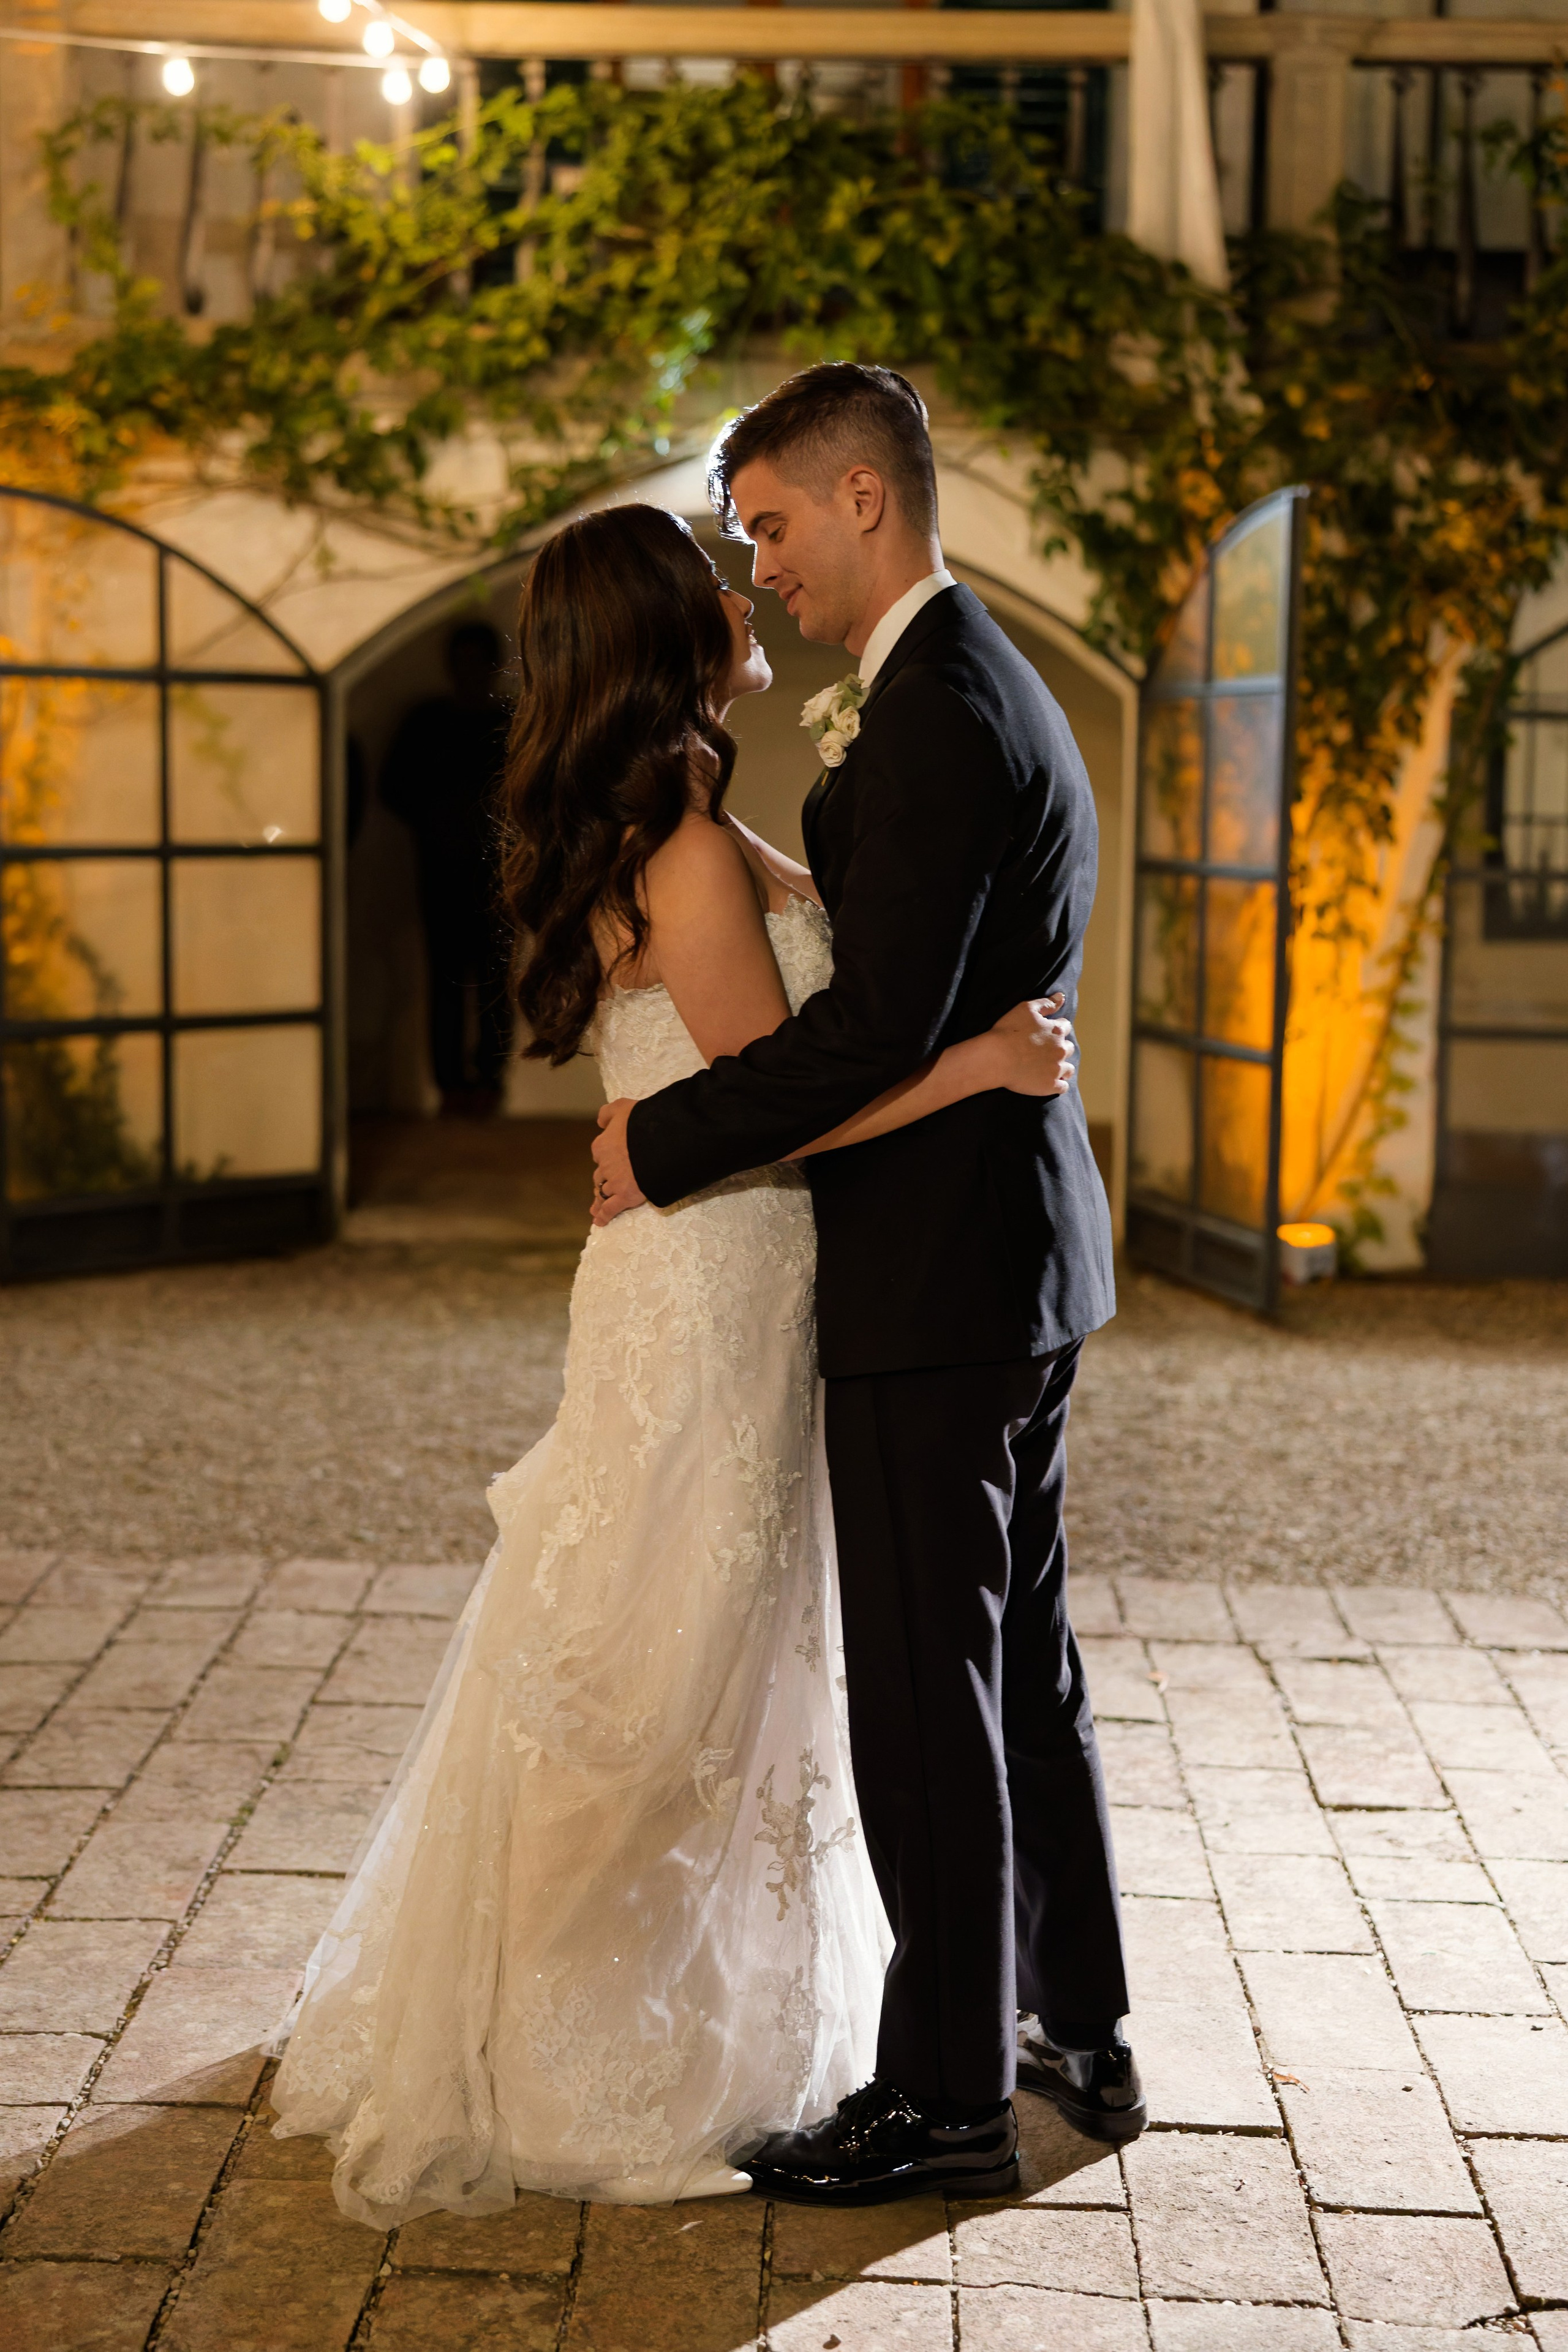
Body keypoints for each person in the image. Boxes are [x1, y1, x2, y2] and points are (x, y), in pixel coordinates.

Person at [269, 499, 1076, 2223]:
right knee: (664, 1654)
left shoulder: (686, 817)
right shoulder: (691, 846)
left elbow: (761, 1048)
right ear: (666, 636)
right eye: (712, 575)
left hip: (708, 1266)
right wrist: (990, 1064)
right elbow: (793, 1090)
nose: (743, 584)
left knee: (672, 1629)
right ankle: (571, 2031)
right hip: (720, 1273)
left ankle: (572, 1988)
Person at [591, 363, 1144, 2207]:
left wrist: (657, 1144)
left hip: (935, 1277)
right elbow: (897, 935)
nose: (756, 571)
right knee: (1023, 1669)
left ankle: (944, 2098)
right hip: (1021, 1256)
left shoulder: (925, 716)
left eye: (766, 528)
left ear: (859, 499)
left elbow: (864, 1031)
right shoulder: (975, 680)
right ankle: (1079, 2017)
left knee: (927, 1691)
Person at [380, 619, 514, 1117]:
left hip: (500, 873)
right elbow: (394, 787)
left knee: (495, 981)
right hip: (442, 870)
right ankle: (454, 1086)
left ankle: (488, 1083)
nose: (471, 672)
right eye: (464, 661)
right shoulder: (428, 722)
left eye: (478, 661)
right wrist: (437, 824)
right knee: (447, 980)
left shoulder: (509, 720)